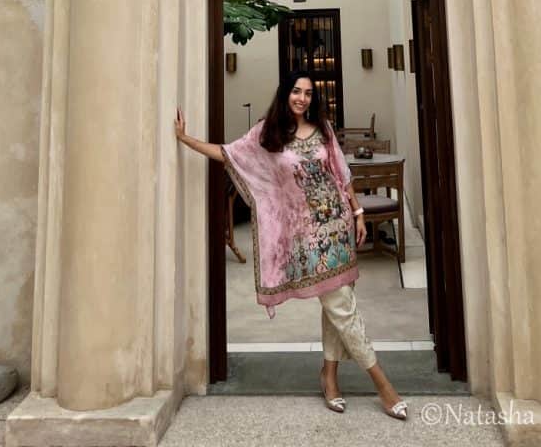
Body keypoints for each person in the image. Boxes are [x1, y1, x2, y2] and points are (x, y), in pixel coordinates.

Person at [174, 69, 408, 420]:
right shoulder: (270, 133)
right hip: (308, 239)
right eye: (297, 91)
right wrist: (186, 139)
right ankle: (383, 384)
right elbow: (230, 154)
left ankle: (329, 377)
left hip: (337, 229)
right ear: (285, 94)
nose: (302, 98)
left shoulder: (324, 130)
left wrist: (357, 212)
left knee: (338, 308)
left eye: (309, 93)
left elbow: (341, 175)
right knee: (343, 309)